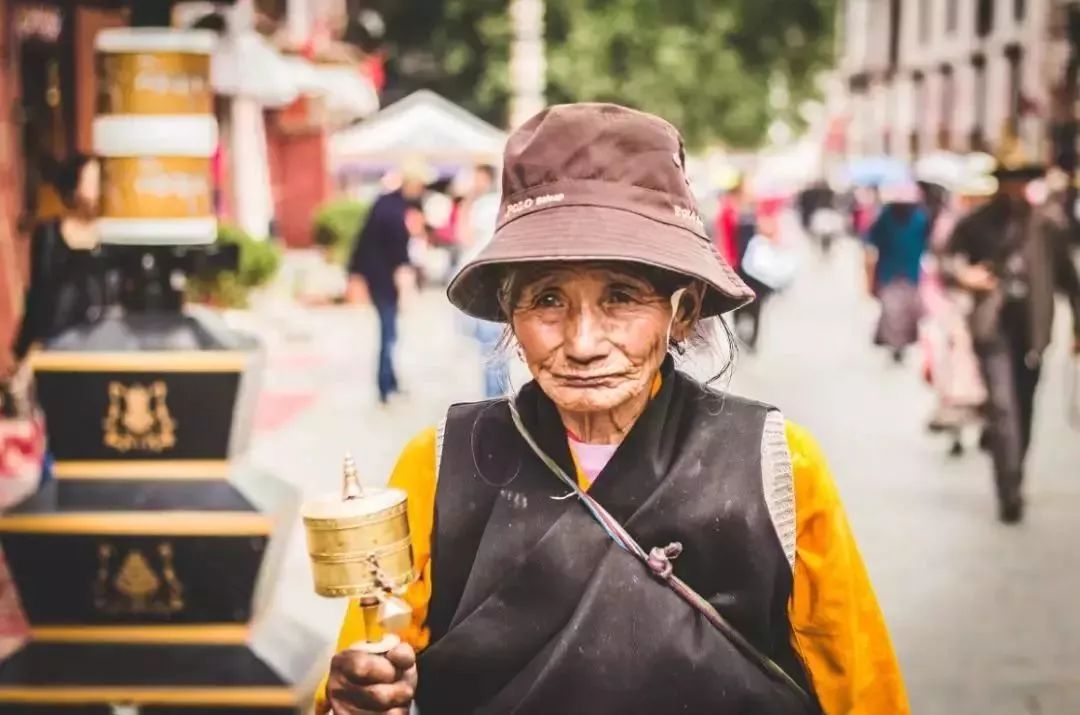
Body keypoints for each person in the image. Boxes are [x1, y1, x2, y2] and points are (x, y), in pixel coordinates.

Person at [318, 104, 908, 714]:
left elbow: (862, 690)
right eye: (547, 299)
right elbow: (368, 666)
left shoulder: (776, 465)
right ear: (509, 312)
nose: (581, 343)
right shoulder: (441, 463)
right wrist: (356, 699)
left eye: (622, 298)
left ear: (681, 312)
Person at [945, 162, 1080, 524]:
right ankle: (1009, 488)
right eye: (1011, 182)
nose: (1016, 190)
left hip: (1033, 332)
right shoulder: (976, 224)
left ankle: (1015, 470)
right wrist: (964, 276)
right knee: (1003, 406)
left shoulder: (1046, 225)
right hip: (992, 329)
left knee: (1024, 405)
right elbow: (946, 261)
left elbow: (1069, 278)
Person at [920, 173, 995, 456]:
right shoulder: (952, 226)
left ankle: (986, 424)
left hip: (982, 313)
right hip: (954, 310)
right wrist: (964, 277)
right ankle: (958, 430)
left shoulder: (992, 225)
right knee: (956, 370)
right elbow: (939, 265)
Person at [12, 154, 106, 362]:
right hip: (57, 342)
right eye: (93, 180)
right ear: (74, 187)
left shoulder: (112, 235)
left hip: (101, 341)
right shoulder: (49, 234)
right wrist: (25, 346)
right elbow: (40, 292)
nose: (100, 187)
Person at [347, 165, 425, 404]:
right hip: (385, 281)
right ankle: (384, 385)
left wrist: (354, 272)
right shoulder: (394, 212)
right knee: (388, 333)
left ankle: (390, 381)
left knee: (389, 332)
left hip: (376, 277)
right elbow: (398, 255)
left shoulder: (384, 204)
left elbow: (362, 241)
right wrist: (404, 287)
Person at [865, 181, 931, 363]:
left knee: (904, 310)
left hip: (906, 272)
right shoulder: (887, 218)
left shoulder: (919, 219)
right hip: (892, 272)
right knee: (893, 310)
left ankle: (899, 343)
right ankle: (895, 343)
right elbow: (871, 242)